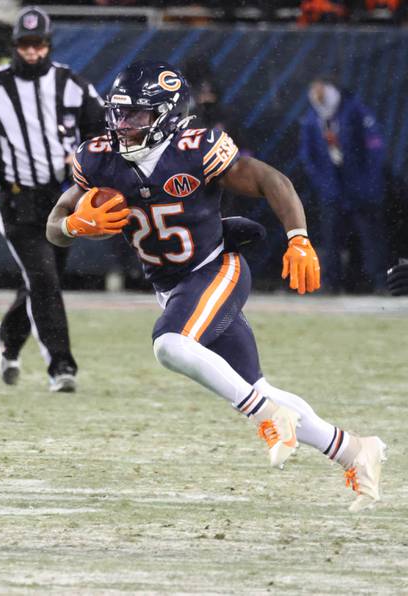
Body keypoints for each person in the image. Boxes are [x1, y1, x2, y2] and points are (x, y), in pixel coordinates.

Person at [46, 61, 387, 512]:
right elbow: (53, 224)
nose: (124, 126)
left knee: (170, 344)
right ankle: (354, 451)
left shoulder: (196, 147)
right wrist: (72, 225)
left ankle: (266, 416)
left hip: (215, 268)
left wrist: (299, 238)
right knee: (253, 384)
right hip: (172, 286)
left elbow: (271, 180)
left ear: (167, 114)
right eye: (119, 114)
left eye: (138, 116)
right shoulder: (98, 159)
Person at [0, 6, 104, 392]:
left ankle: (8, 337)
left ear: (48, 45)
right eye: (26, 45)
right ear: (15, 46)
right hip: (15, 198)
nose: (32, 52)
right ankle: (61, 367)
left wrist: (84, 155)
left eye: (39, 44)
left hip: (63, 197)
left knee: (43, 279)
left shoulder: (72, 85)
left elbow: (102, 133)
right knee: (44, 278)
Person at [299, 76, 387, 292]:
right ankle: (331, 283)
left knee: (370, 237)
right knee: (331, 239)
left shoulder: (354, 110)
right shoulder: (313, 118)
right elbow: (308, 156)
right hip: (332, 189)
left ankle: (380, 282)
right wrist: (323, 183)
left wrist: (367, 181)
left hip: (360, 187)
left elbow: (375, 146)